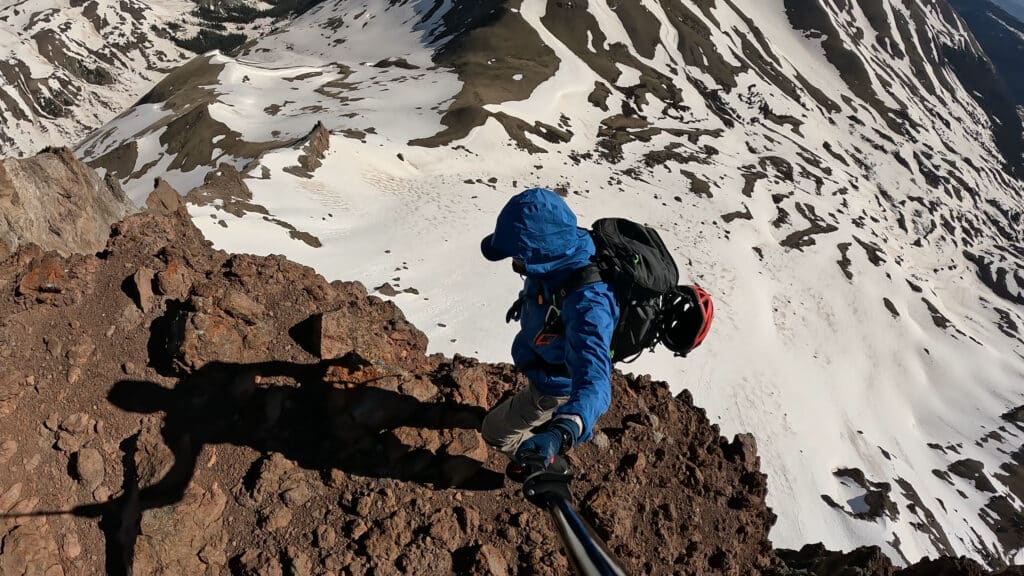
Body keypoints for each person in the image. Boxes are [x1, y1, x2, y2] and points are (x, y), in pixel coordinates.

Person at [479, 188, 619, 472]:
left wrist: (561, 433)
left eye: (517, 257)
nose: (513, 264)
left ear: (538, 253)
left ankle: (540, 461)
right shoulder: (560, 250)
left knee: (493, 432)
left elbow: (595, 381)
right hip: (543, 365)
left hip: (556, 385)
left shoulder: (588, 304)